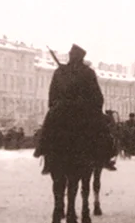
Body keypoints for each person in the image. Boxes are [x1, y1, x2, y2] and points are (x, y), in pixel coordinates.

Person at [35, 45, 115, 173]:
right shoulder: (83, 72)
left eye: (72, 54)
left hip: (64, 107)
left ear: (78, 56)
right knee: (101, 129)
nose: (70, 56)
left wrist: (55, 106)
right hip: (83, 110)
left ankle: (45, 153)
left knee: (50, 124)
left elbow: (52, 95)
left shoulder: (66, 71)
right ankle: (104, 156)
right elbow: (98, 97)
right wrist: (95, 109)